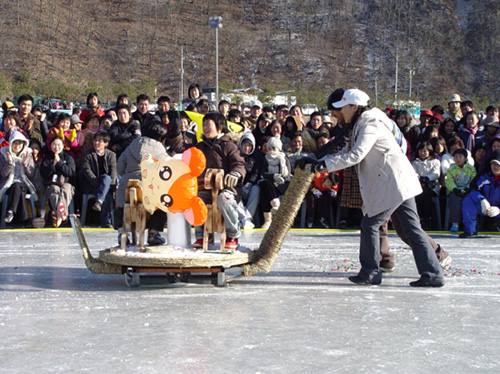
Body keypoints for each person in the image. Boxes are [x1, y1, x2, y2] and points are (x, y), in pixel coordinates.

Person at [297, 88, 444, 287]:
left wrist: (322, 166)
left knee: (371, 225)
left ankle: (371, 272)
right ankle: (432, 273)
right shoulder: (361, 122)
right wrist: (318, 159)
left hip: (393, 183)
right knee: (411, 228)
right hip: (397, 182)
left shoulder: (370, 122)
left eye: (343, 108)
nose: (339, 113)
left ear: (354, 106)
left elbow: (356, 154)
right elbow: (344, 149)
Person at [169, 112, 246, 250]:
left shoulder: (229, 145)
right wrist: (175, 132)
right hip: (206, 187)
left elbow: (239, 163)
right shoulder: (201, 146)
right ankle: (202, 235)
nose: (204, 127)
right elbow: (182, 149)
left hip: (226, 187)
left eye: (208, 124)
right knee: (196, 200)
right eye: (203, 124)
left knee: (225, 199)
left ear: (220, 126)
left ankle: (232, 234)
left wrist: (236, 174)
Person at [116, 121, 168, 246]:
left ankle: (121, 232)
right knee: (163, 201)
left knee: (120, 205)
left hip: (127, 189)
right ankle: (153, 232)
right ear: (160, 138)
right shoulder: (161, 151)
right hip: (149, 192)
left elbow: (120, 167)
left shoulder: (131, 146)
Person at [80, 131, 117, 228]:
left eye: (100, 141)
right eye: (95, 141)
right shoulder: (87, 154)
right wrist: (98, 184)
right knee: (105, 188)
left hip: (106, 184)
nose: (96, 143)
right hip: (91, 184)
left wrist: (109, 184)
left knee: (106, 178)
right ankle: (105, 221)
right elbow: (86, 170)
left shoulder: (111, 155)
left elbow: (113, 171)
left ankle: (99, 203)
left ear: (106, 143)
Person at [459, 150, 500, 238]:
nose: (495, 167)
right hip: (485, 208)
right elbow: (473, 189)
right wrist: (482, 200)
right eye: (493, 164)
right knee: (468, 201)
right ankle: (470, 230)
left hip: (498, 209)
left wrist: (498, 209)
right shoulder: (483, 176)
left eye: (498, 165)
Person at [0, 131, 37, 225]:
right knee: (18, 190)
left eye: (20, 143)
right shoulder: (4, 155)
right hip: (9, 185)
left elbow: (31, 174)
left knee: (18, 186)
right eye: (15, 143)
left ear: (23, 144)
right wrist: (9, 163)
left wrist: (25, 164)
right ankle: (23, 221)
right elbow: (3, 174)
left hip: (24, 183)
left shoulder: (28, 155)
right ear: (11, 144)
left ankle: (10, 211)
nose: (17, 146)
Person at [40, 136, 76, 228]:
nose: (56, 147)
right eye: (54, 145)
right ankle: (62, 214)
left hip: (66, 183)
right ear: (50, 146)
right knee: (54, 190)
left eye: (59, 145)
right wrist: (53, 165)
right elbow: (44, 173)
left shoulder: (68, 157)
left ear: (63, 145)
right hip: (52, 184)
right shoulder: (47, 158)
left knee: (66, 189)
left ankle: (58, 215)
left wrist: (60, 163)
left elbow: (70, 172)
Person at [258, 136, 291, 230]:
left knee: (267, 189)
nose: (271, 150)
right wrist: (273, 176)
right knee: (265, 185)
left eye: (274, 148)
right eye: (270, 148)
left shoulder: (284, 158)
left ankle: (273, 216)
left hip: (281, 184)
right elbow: (263, 173)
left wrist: (280, 177)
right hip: (270, 183)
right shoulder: (265, 158)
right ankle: (268, 219)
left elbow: (287, 175)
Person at [445, 148, 476, 232]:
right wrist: (454, 189)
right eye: (456, 157)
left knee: (468, 200)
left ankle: (468, 224)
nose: (458, 159)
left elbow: (473, 180)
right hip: (455, 191)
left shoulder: (471, 169)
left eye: (460, 157)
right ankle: (455, 223)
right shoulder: (451, 169)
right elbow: (448, 181)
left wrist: (467, 188)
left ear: (465, 158)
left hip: (467, 190)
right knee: (455, 200)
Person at [412, 141, 441, 230]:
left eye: (425, 151)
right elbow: (413, 173)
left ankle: (428, 218)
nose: (422, 153)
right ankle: (420, 218)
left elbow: (436, 174)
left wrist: (427, 178)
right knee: (418, 195)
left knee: (427, 194)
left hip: (431, 186)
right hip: (419, 185)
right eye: (421, 151)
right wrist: (420, 178)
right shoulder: (415, 162)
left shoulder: (435, 161)